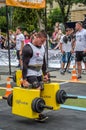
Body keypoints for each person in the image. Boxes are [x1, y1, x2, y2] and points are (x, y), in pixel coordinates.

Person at [22, 30, 49, 121]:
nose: (43, 43)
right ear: (37, 38)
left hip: (38, 72)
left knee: (41, 89)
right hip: (30, 73)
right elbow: (24, 64)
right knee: (37, 88)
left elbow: (43, 62)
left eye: (44, 41)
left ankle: (35, 108)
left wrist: (45, 74)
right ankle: (39, 114)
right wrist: (24, 79)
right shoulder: (28, 48)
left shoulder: (42, 48)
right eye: (42, 41)